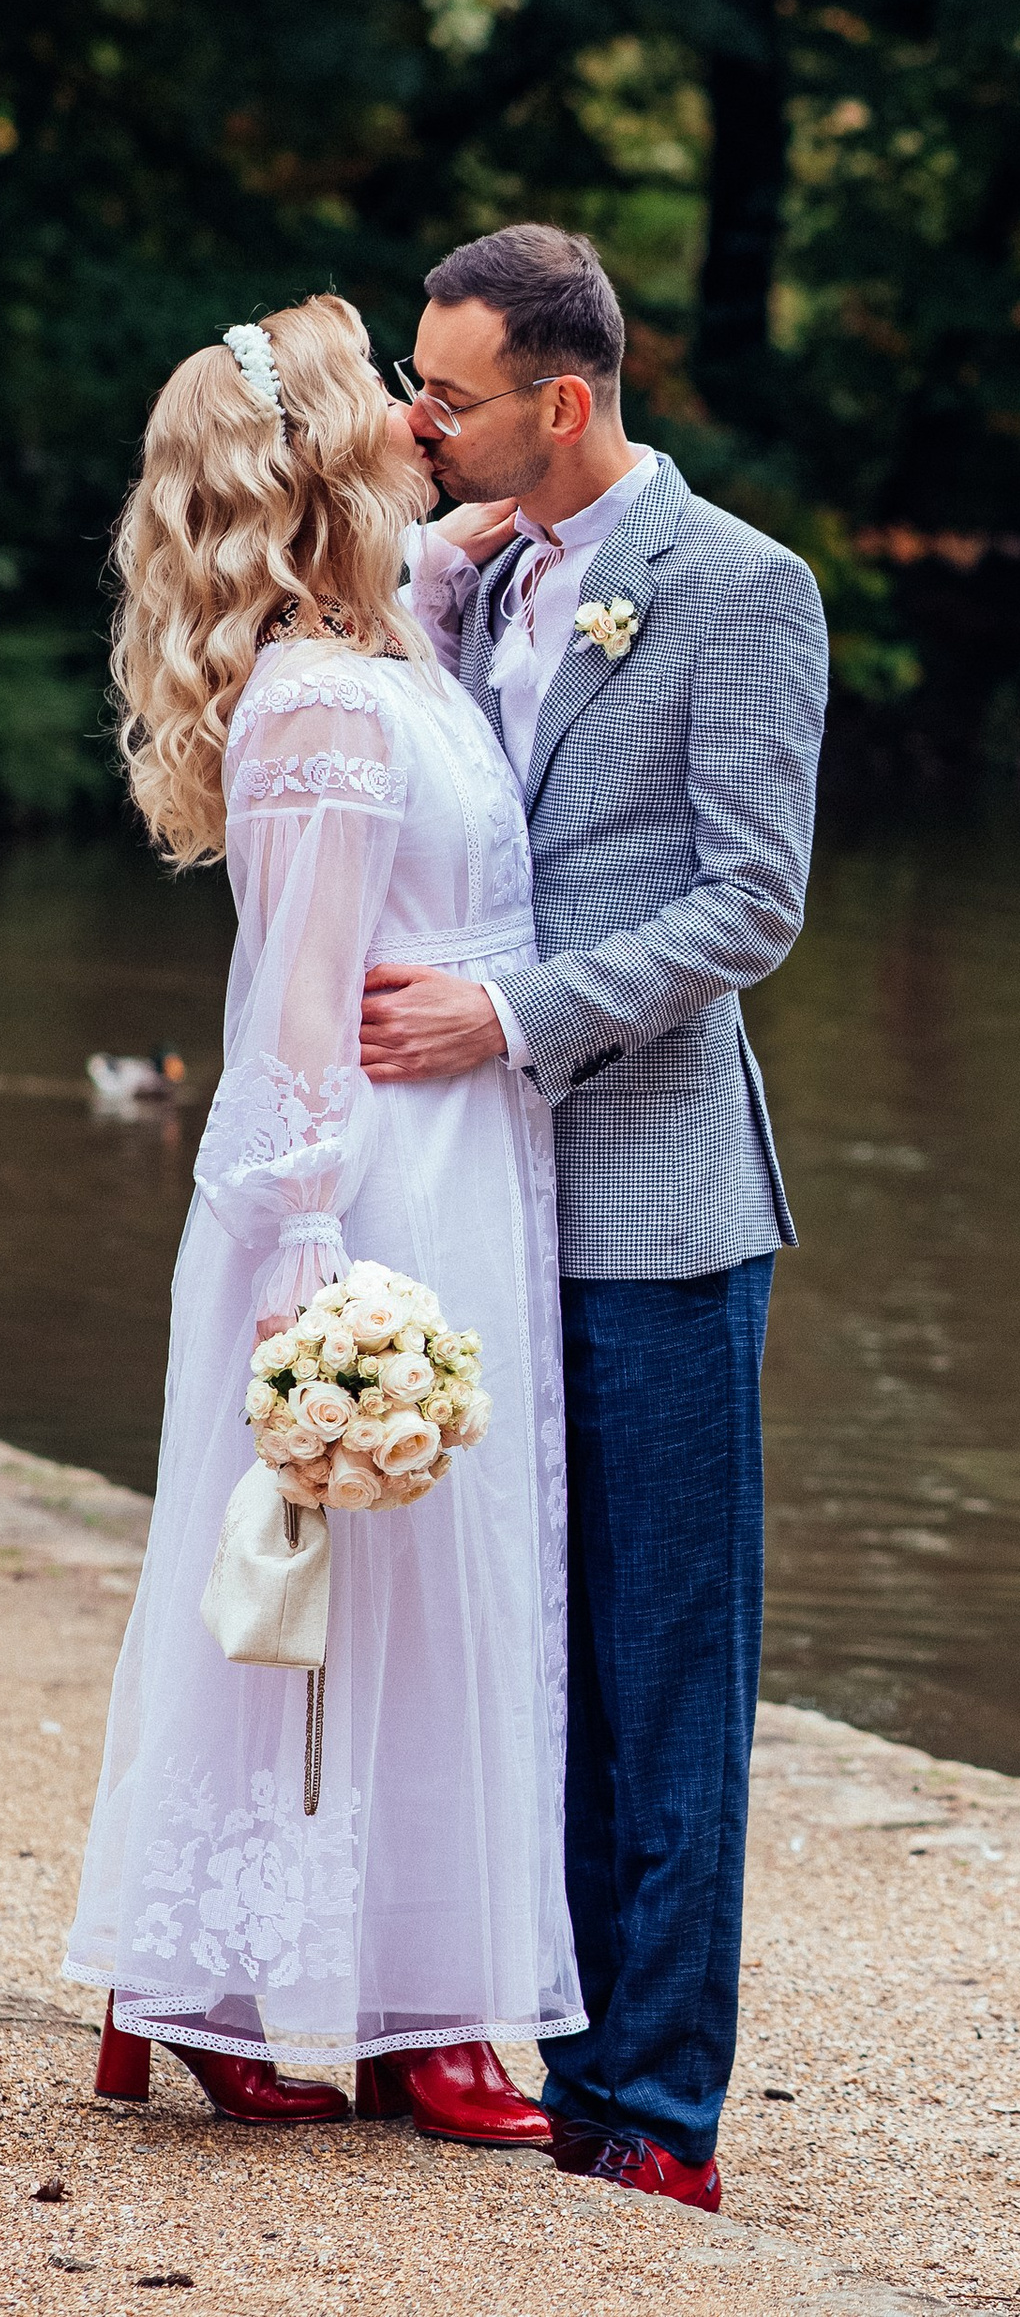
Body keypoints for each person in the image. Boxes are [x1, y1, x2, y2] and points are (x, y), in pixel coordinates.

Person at [65, 293, 576, 2144]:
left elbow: (423, 564)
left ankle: (316, 1984)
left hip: (465, 1148)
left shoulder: (386, 640)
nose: (419, 423)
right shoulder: (325, 707)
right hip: (367, 1176)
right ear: (324, 458)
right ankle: (334, 2000)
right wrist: (303, 1255)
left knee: (433, 1581)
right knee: (367, 1588)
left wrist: (500, 528)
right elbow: (296, 1006)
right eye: (388, 400)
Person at [365, 224, 828, 2210]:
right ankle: (527, 2046)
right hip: (478, 1206)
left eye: (447, 392)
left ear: (562, 402)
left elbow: (752, 902)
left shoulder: (742, 587)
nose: (418, 417)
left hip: (654, 1209)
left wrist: (509, 1018)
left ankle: (652, 2112)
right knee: (518, 1655)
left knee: (661, 1668)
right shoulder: (470, 576)